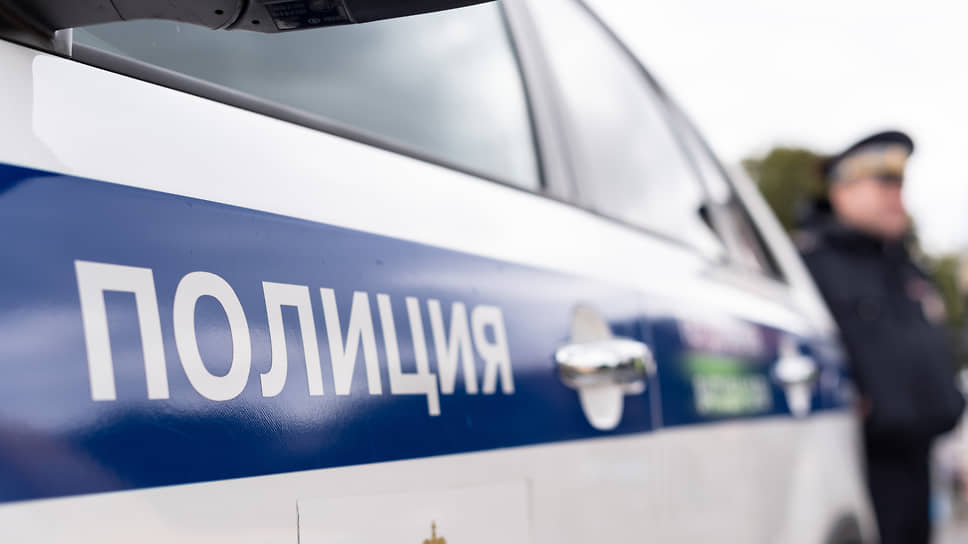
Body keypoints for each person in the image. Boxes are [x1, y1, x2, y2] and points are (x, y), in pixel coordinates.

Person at [797, 130, 965, 544]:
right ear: (842, 190)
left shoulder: (908, 268)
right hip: (856, 463)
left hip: (919, 459)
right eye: (883, 185)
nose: (896, 197)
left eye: (899, 185)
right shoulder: (811, 266)